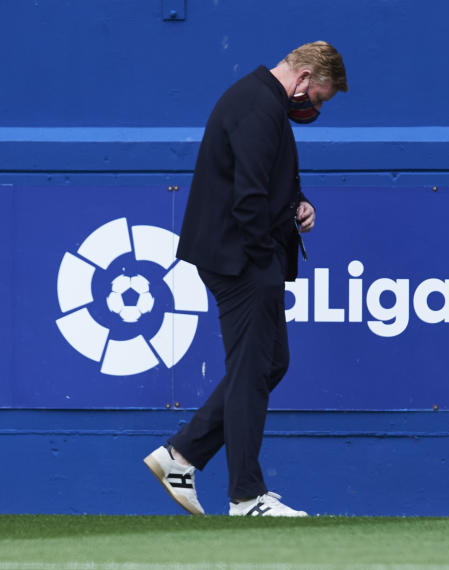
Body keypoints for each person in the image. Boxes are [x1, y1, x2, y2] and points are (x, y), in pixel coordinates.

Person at [143, 41, 348, 517]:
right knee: (255, 368)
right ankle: (246, 496)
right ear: (302, 79)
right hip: (241, 261)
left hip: (241, 256)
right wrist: (263, 264)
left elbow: (266, 180)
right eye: (318, 97)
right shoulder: (259, 105)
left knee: (270, 363)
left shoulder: (261, 101)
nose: (314, 107)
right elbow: (249, 197)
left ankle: (182, 455)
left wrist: (299, 201)